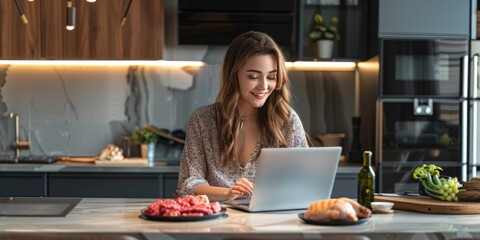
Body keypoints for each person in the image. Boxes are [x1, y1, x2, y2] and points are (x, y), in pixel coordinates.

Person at [176, 31, 308, 201]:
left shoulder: (287, 121)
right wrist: (229, 193)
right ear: (234, 74)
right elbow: (187, 185)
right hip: (216, 221)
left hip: (270, 222)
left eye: (271, 77)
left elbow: (304, 181)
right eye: (253, 76)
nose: (264, 86)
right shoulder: (203, 119)